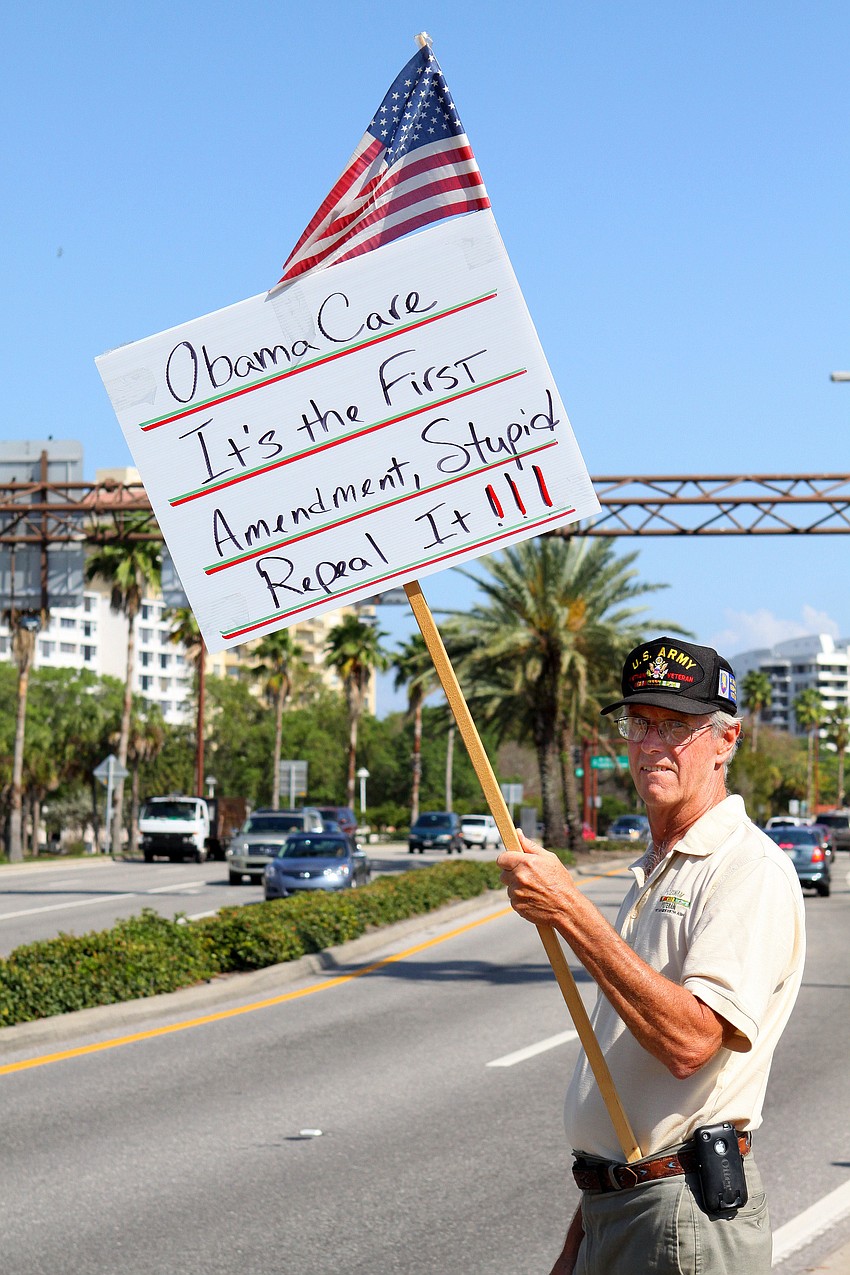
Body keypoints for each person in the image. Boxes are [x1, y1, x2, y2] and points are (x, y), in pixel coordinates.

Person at [497, 636, 805, 1275]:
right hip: (622, 1206)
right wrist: (579, 1240)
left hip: (680, 1216)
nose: (652, 742)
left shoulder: (746, 870)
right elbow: (630, 1101)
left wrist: (570, 910)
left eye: (678, 726)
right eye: (640, 723)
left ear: (726, 741)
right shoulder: (658, 867)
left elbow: (692, 1043)